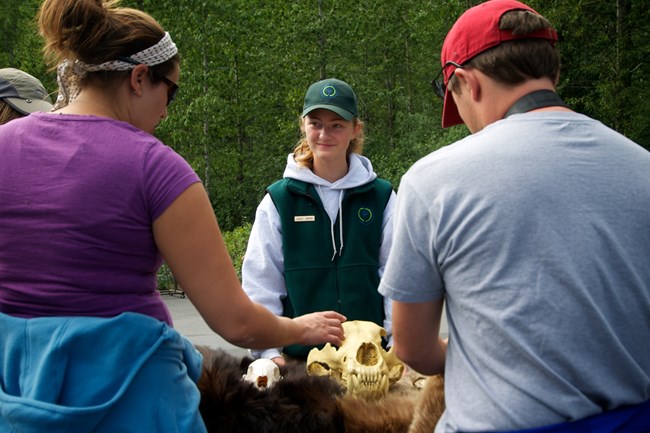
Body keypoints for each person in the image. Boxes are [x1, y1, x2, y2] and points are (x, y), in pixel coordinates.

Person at [0, 1, 344, 432]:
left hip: (18, 396)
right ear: (139, 78)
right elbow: (234, 321)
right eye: (171, 92)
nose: (166, 111)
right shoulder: (158, 168)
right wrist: (298, 327)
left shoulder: (4, 144)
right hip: (136, 401)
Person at [378, 1, 650, 432]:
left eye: (456, 102)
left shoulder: (433, 181)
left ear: (467, 83)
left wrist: (491, 355)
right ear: (553, 74)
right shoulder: (642, 166)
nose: (466, 123)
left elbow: (411, 346)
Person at [242, 78, 396, 366]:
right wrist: (269, 353)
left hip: (370, 362)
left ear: (355, 129)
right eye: (316, 123)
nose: (325, 133)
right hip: (300, 363)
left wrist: (399, 344)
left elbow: (396, 278)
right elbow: (261, 282)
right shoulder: (279, 199)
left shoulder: (382, 197)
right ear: (303, 125)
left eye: (337, 124)